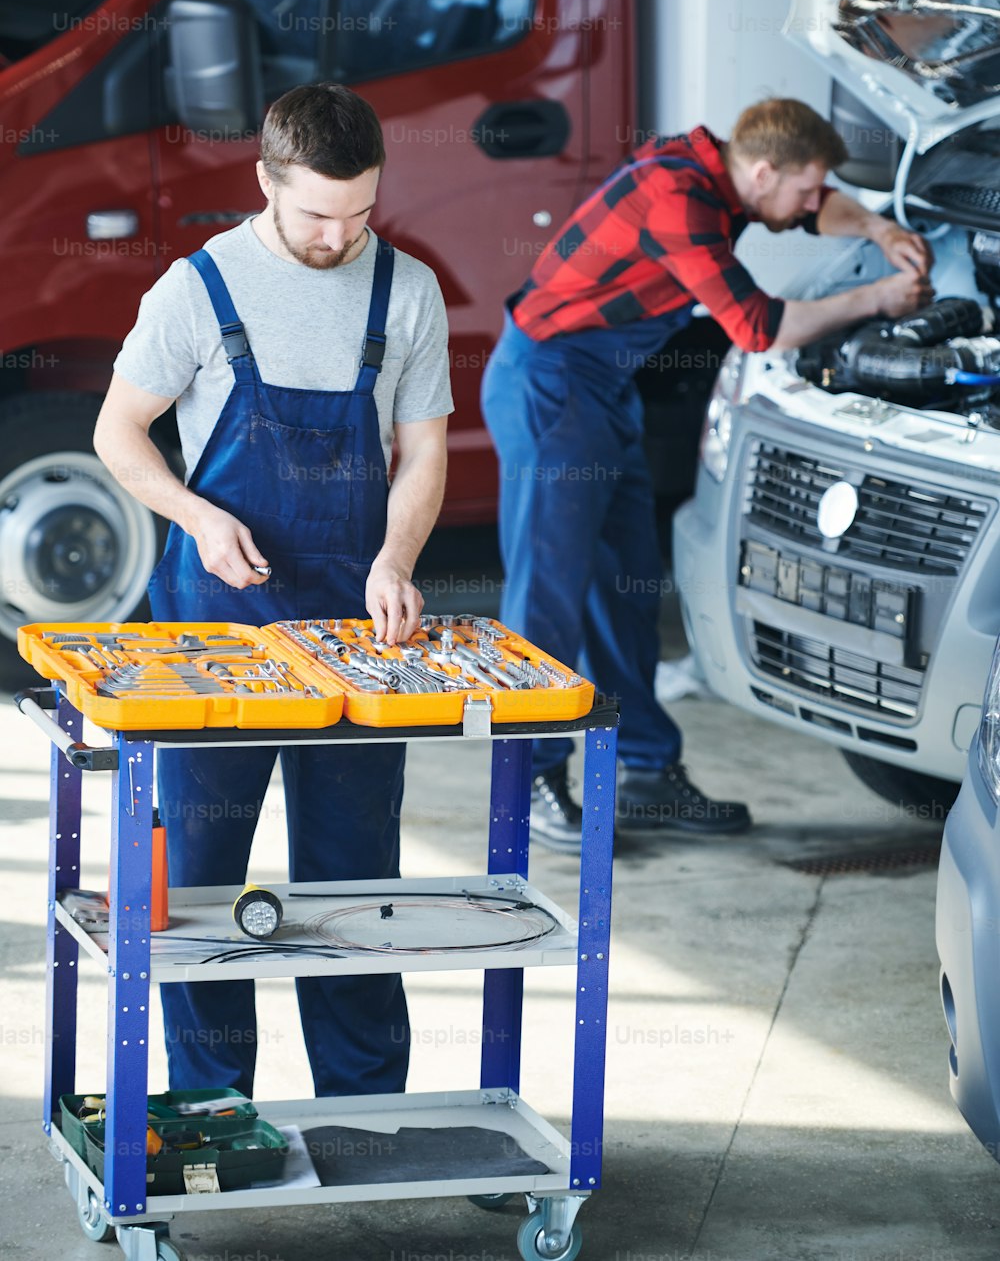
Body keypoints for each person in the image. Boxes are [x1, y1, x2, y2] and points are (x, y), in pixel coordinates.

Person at [93, 83, 452, 1096]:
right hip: (218, 636)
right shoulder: (195, 290)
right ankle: (213, 1115)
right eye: (314, 216)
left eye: (360, 214)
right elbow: (117, 434)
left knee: (352, 887)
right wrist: (198, 517)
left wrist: (396, 560)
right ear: (264, 182)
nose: (340, 237)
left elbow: (423, 454)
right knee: (201, 890)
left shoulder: (407, 291)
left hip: (355, 634)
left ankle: (371, 1114)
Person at [481, 98, 933, 853]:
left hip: (601, 389)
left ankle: (646, 772)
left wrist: (880, 229)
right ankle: (527, 778)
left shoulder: (723, 175)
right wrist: (878, 297)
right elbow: (760, 327)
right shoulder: (679, 199)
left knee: (625, 587)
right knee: (548, 597)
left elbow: (813, 212)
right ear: (763, 171)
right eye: (808, 187)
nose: (817, 203)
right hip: (549, 386)